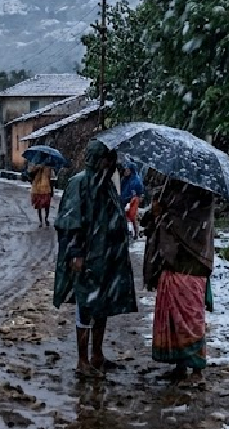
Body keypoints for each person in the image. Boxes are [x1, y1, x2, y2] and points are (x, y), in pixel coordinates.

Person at [52, 140, 139, 376]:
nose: (112, 164)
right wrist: (76, 253)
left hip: (107, 256)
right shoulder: (79, 184)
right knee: (86, 305)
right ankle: (82, 361)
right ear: (98, 159)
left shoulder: (106, 185)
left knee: (102, 305)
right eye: (108, 159)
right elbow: (70, 223)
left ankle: (97, 355)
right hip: (88, 257)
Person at [141, 179, 216, 381]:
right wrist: (158, 212)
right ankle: (180, 366)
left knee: (191, 320)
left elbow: (183, 222)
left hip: (191, 266)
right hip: (174, 266)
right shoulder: (175, 190)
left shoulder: (200, 195)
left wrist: (164, 212)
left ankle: (197, 368)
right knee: (175, 320)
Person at [119, 161, 146, 240]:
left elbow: (140, 191)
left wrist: (137, 197)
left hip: (133, 199)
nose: (126, 171)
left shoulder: (136, 180)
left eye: (127, 170)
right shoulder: (124, 180)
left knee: (132, 215)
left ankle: (136, 233)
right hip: (124, 198)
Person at [29, 161, 56, 227]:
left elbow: (30, 177)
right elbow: (52, 179)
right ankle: (44, 220)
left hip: (40, 190)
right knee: (44, 206)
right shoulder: (39, 168)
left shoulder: (47, 168)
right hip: (43, 190)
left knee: (42, 206)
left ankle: (42, 220)